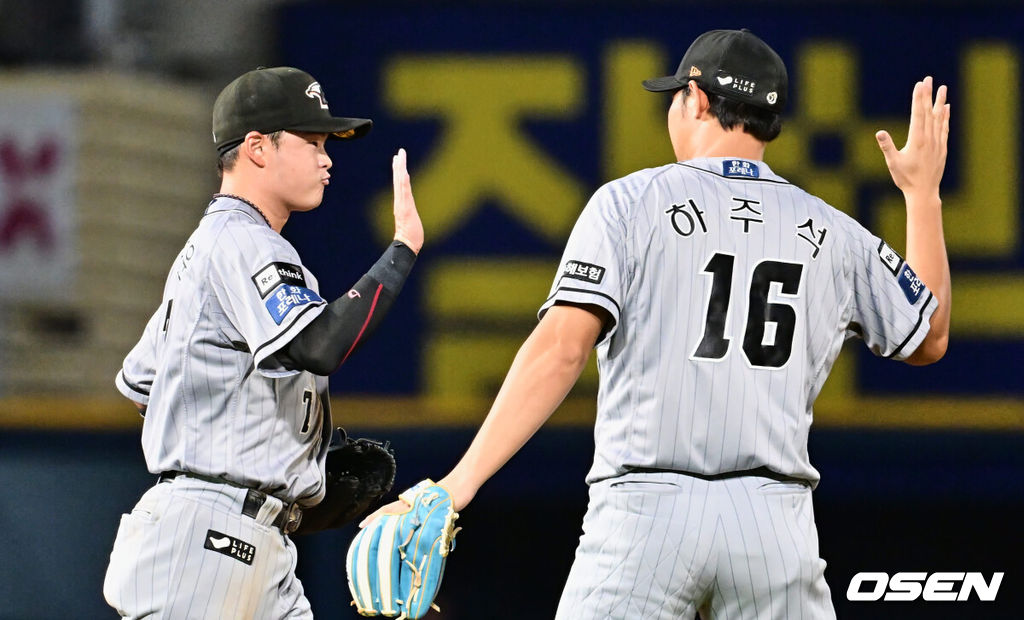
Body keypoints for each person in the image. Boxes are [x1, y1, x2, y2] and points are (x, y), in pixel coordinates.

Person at [367, 28, 950, 619]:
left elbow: (562, 349)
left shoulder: (630, 203)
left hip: (646, 514)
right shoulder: (831, 231)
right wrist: (922, 194)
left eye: (674, 96)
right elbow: (929, 336)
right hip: (774, 523)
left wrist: (458, 484)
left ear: (696, 99)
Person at [103, 66, 423, 619]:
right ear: (256, 148)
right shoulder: (242, 240)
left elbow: (141, 383)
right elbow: (320, 345)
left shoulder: (211, 250)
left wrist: (273, 463)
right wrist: (401, 250)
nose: (327, 159)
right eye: (312, 141)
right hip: (208, 540)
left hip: (249, 537)